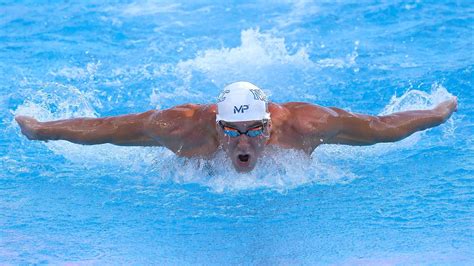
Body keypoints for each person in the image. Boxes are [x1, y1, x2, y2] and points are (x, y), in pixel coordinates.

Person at [15, 81, 458, 172]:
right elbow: (107, 128)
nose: (243, 142)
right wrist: (41, 128)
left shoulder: (304, 124)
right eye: (232, 131)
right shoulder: (183, 127)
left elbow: (380, 126)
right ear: (216, 122)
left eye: (253, 131)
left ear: (270, 122)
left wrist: (435, 114)